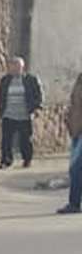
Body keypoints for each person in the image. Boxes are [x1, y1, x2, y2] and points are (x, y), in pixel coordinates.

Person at [0, 57, 44, 168]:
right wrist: (0, 111)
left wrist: (37, 108)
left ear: (22, 68)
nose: (15, 69)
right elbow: (1, 97)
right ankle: (6, 160)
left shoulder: (30, 80)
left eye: (17, 67)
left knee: (25, 140)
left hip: (24, 115)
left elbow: (39, 95)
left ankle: (27, 159)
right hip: (8, 114)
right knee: (6, 140)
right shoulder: (5, 80)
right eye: (12, 66)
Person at [58, 72, 82, 215]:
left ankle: (74, 203)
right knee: (75, 170)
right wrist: (68, 119)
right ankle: (73, 203)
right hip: (76, 130)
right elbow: (75, 105)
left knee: (75, 169)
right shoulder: (80, 79)